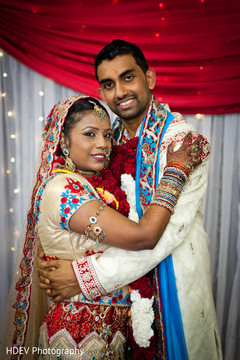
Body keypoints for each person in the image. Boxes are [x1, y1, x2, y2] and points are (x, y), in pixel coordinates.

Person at [37, 40, 222, 359]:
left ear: (149, 79)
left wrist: (80, 277)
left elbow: (160, 238)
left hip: (171, 282)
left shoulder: (183, 141)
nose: (119, 92)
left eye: (128, 77)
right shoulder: (110, 139)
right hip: (117, 299)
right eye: (108, 84)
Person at [0, 94, 201, 360]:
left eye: (107, 135)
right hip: (77, 337)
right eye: (89, 134)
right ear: (64, 141)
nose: (102, 144)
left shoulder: (95, 187)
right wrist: (176, 171)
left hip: (110, 333)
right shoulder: (64, 190)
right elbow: (143, 237)